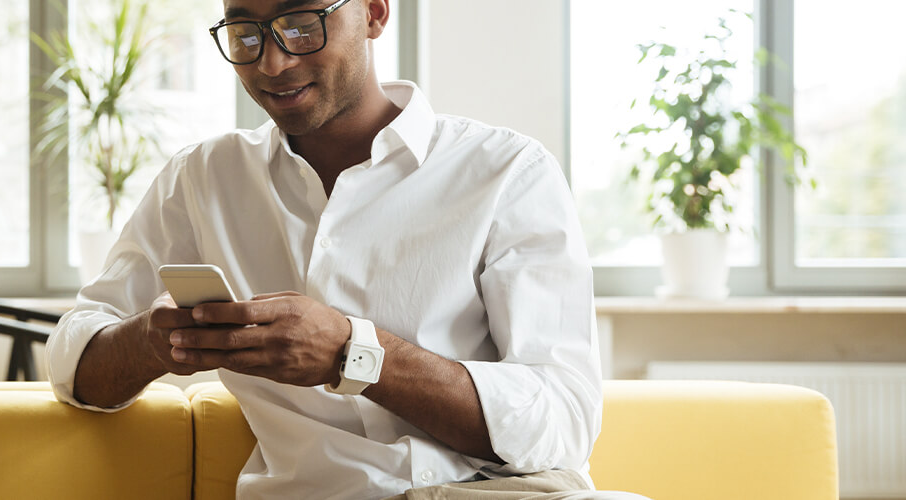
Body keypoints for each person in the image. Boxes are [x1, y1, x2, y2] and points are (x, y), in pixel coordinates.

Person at [47, 0, 649, 499]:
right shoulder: (202, 179)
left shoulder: (507, 173)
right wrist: (154, 341)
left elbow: (564, 421)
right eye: (244, 33)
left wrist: (353, 353)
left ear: (375, 12)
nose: (273, 61)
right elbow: (76, 363)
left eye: (302, 24)